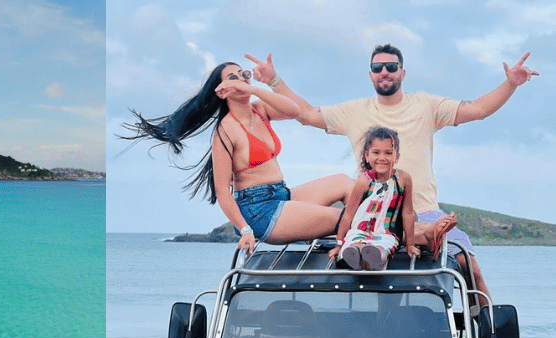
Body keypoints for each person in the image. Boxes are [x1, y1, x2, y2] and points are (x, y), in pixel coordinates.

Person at [249, 45, 538, 303]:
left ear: (402, 72)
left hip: (423, 211)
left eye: (391, 67)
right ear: (371, 74)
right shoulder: (355, 111)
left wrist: (510, 84)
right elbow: (307, 114)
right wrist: (274, 81)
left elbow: (477, 110)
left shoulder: (426, 105)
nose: (384, 72)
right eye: (377, 67)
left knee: (469, 266)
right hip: (374, 213)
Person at [121, 62, 351, 255]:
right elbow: (222, 191)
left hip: (282, 194)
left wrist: (263, 86)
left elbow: (295, 110)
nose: (241, 79)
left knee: (345, 182)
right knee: (344, 218)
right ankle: (360, 245)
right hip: (260, 211)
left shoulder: (261, 109)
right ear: (222, 91)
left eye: (244, 75)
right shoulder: (226, 131)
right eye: (233, 78)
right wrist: (245, 230)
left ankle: (367, 244)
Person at [329, 127, 422, 270]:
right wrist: (338, 245)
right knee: (353, 242)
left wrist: (410, 245)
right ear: (367, 155)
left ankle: (373, 257)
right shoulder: (363, 181)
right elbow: (348, 215)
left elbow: (407, 213)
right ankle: (353, 254)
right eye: (376, 152)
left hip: (387, 234)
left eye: (388, 153)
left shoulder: (403, 179)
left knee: (383, 247)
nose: (382, 158)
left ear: (397, 156)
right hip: (360, 231)